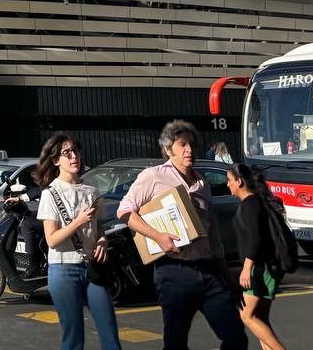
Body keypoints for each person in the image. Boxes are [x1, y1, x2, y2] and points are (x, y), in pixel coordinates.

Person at [119, 120, 247, 350]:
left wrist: (228, 279)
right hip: (173, 272)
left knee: (236, 336)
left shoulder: (202, 182)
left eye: (191, 145)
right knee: (176, 343)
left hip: (208, 271)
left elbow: (213, 237)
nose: (189, 150)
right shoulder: (153, 176)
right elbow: (125, 211)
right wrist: (158, 236)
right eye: (182, 145)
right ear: (169, 149)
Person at [34, 133, 120, 350]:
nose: (74, 156)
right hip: (63, 270)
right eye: (67, 153)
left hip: (93, 267)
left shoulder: (91, 190)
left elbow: (98, 228)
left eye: (76, 151)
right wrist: (78, 221)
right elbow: (52, 240)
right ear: (56, 160)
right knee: (74, 338)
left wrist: (101, 243)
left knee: (110, 332)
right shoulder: (50, 194)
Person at [228, 163, 288, 350]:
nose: (227, 185)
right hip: (267, 265)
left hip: (262, 267)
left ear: (239, 182)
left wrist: (247, 268)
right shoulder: (255, 202)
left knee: (246, 315)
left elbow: (256, 238)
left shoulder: (251, 204)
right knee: (260, 318)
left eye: (229, 181)